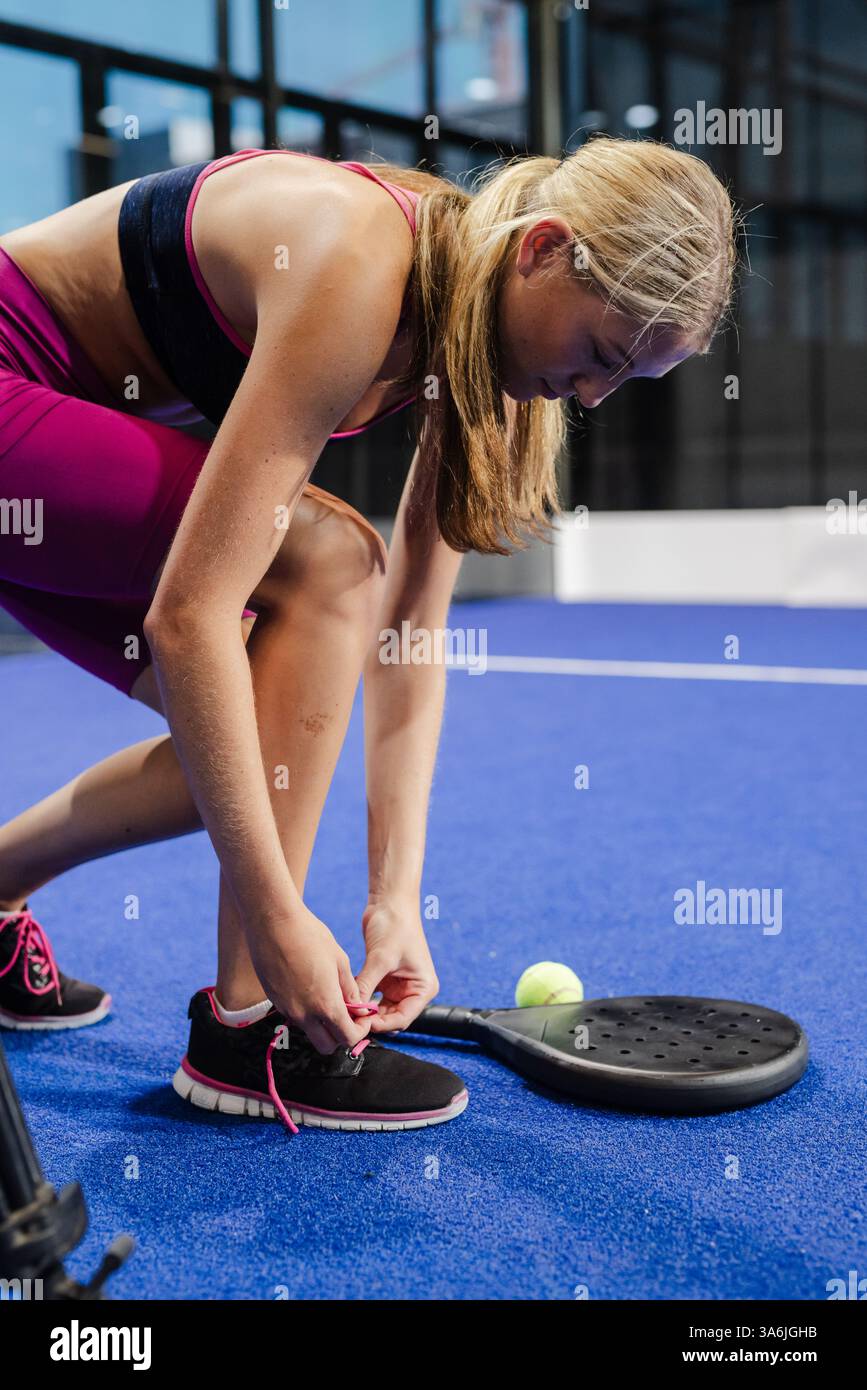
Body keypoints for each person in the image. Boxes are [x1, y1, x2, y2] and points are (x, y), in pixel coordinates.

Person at [0, 137, 736, 1132]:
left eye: (630, 379)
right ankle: (244, 1030)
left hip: (54, 443)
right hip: (16, 392)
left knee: (242, 762)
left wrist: (397, 902)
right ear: (544, 249)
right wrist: (277, 918)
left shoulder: (485, 340)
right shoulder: (358, 263)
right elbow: (191, 614)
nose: (596, 396)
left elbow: (412, 638)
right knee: (332, 561)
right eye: (604, 354)